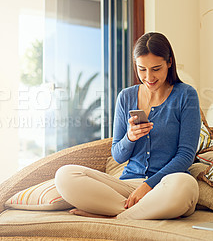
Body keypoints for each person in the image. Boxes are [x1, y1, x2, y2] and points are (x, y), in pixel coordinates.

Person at [55, 32, 201, 220]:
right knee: (65, 175)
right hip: (127, 186)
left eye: (156, 68)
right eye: (142, 69)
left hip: (166, 184)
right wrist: (129, 137)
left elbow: (186, 156)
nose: (149, 77)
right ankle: (132, 213)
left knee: (185, 186)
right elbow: (118, 155)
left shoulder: (186, 95)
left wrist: (148, 186)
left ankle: (114, 215)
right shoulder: (126, 97)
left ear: (169, 62)